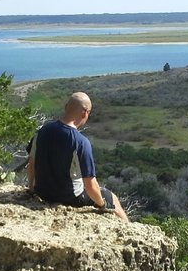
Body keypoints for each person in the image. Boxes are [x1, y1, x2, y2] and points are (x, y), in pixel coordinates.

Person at [27, 92, 129, 222]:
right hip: (69, 197)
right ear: (85, 113)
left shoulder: (42, 131)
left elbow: (31, 164)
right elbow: (90, 185)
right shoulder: (80, 142)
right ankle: (128, 226)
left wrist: (31, 189)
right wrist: (103, 204)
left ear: (66, 107)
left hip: (42, 192)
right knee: (111, 197)